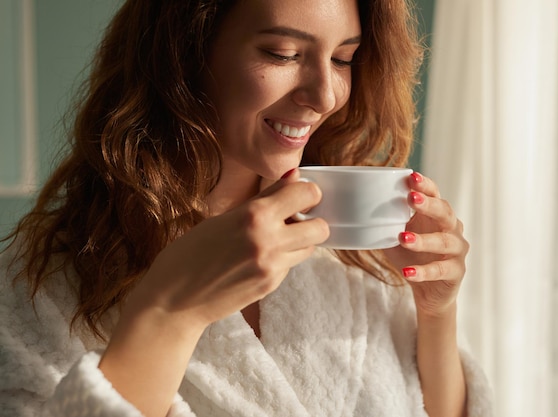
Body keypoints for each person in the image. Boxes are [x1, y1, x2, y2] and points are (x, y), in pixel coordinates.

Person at [0, 0, 493, 416]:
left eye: (344, 58)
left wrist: (436, 312)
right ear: (185, 54)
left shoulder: (352, 251)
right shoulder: (38, 289)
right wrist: (169, 315)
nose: (324, 96)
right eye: (282, 53)